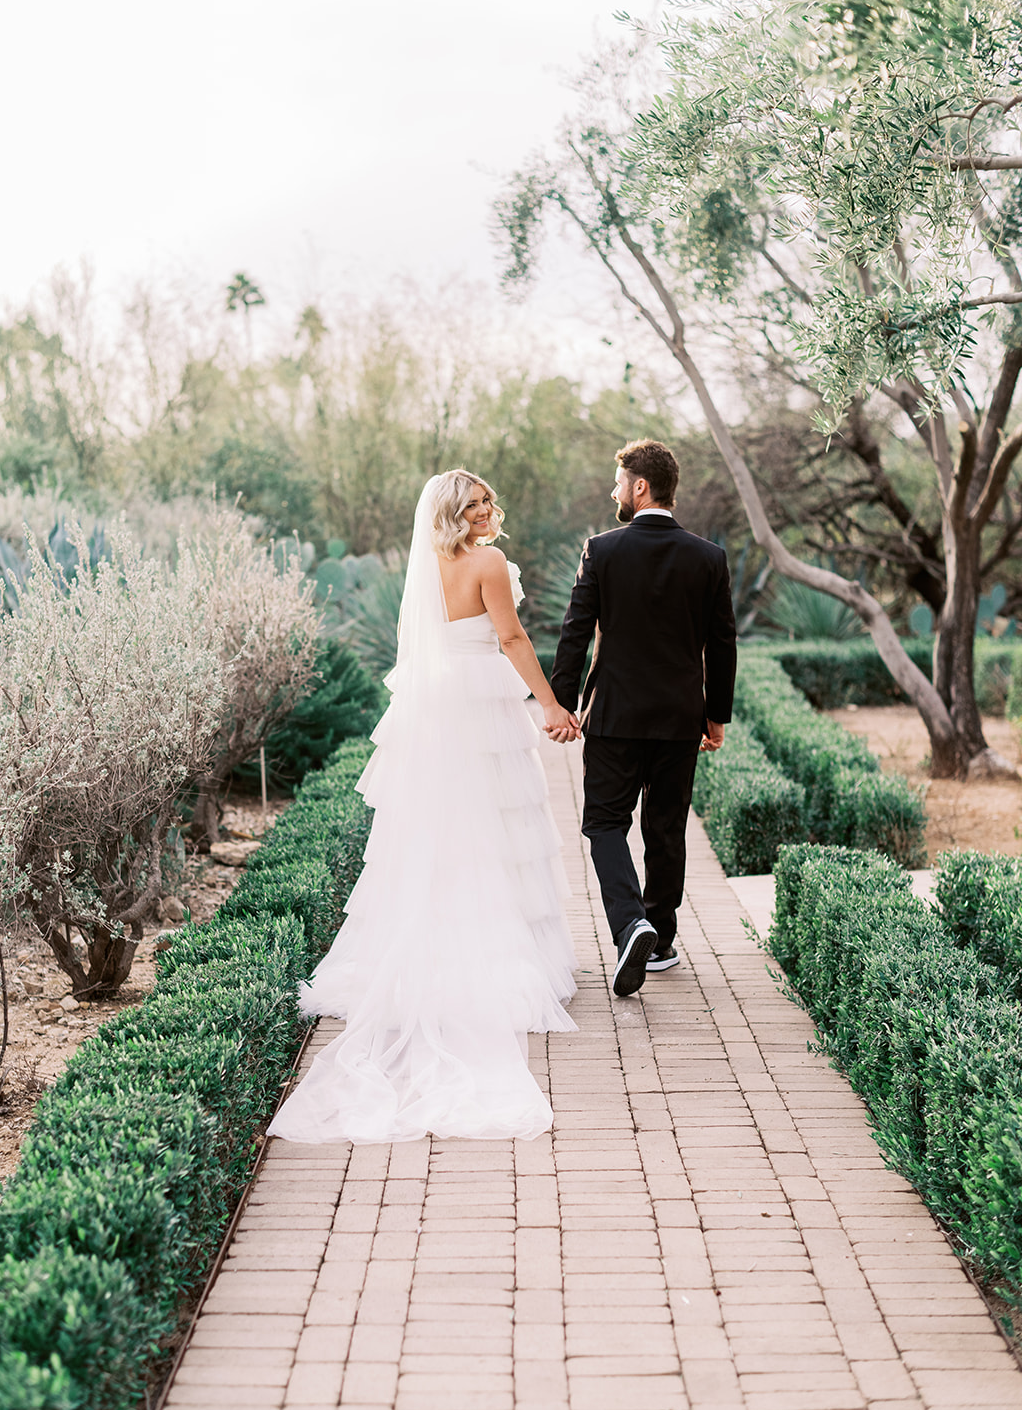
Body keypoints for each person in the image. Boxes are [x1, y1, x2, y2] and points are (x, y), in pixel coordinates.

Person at [268, 470, 581, 1146]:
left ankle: (427, 943)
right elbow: (513, 639)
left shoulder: (426, 564)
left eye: (490, 501)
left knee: (436, 829)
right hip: (479, 700)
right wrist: (552, 705)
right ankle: (502, 957)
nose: (489, 511)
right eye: (476, 505)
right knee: (497, 825)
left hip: (433, 702)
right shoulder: (489, 562)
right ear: (455, 515)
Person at [550, 439, 737, 998]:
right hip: (680, 719)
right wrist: (716, 716)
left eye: (618, 481)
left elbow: (575, 631)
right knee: (665, 827)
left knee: (605, 823)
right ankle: (661, 941)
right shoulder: (709, 558)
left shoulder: (602, 550)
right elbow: (722, 644)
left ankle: (631, 923)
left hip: (613, 717)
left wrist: (561, 703)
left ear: (640, 487)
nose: (613, 491)